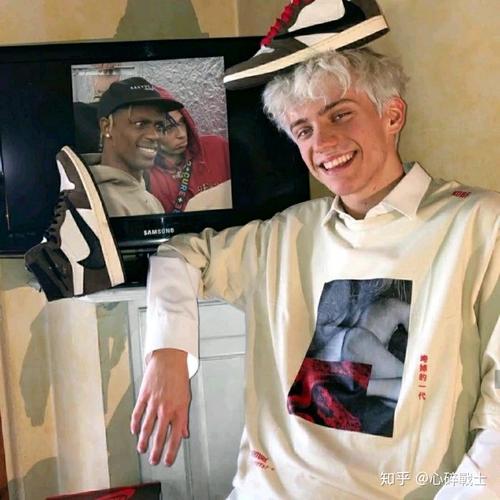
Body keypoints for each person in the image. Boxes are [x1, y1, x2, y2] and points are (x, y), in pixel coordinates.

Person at [130, 48, 499, 498]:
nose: (322, 142)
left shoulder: (480, 224)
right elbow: (179, 255)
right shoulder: (288, 233)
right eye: (303, 130)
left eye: (340, 115)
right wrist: (167, 353)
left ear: (393, 115)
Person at [87, 77, 183, 217]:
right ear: (106, 127)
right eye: (140, 124)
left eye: (159, 126)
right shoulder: (96, 202)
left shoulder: (151, 199)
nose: (155, 135)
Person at [147, 86, 231, 213]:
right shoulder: (146, 178)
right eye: (169, 128)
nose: (181, 134)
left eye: (182, 122)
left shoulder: (216, 148)